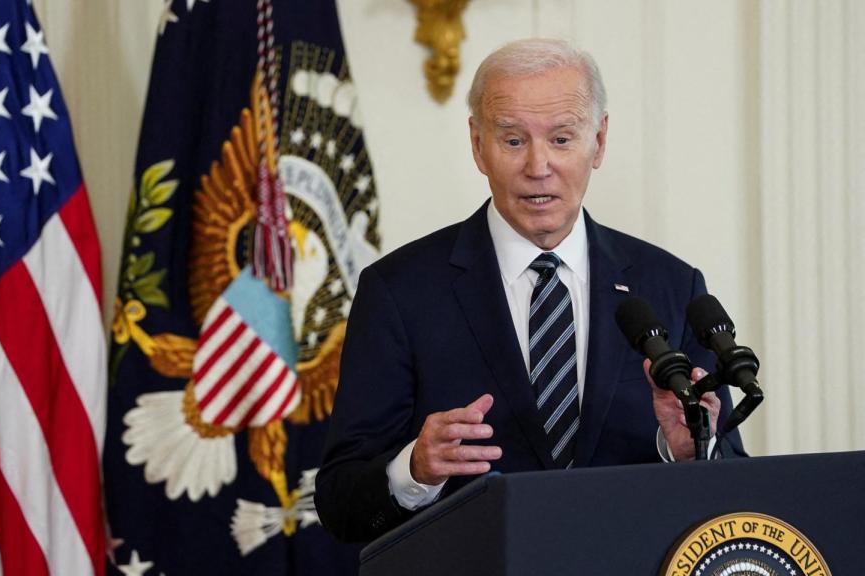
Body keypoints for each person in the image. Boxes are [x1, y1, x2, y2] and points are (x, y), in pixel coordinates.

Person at [314, 38, 745, 543]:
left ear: (599, 141)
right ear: (478, 145)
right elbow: (339, 501)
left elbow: (732, 480)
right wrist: (414, 471)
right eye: (514, 140)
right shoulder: (399, 291)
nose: (538, 166)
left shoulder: (671, 285)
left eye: (562, 139)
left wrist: (689, 449)